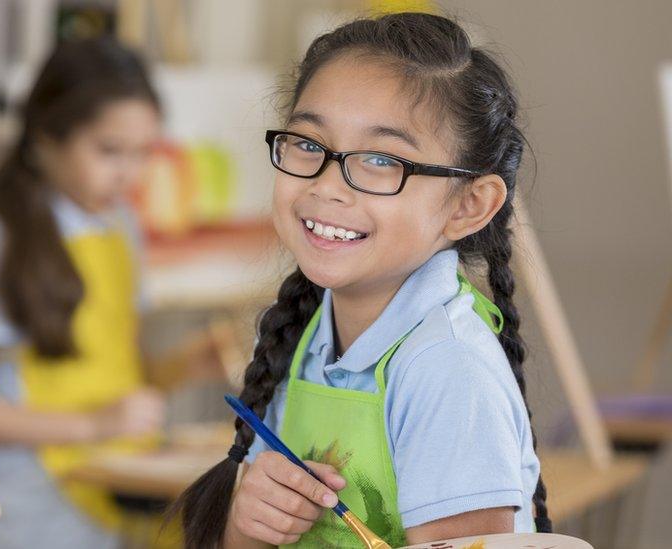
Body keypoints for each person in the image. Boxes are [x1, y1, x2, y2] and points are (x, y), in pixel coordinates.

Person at [175, 12, 549, 548]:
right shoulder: (297, 335)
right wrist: (246, 525)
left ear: (469, 205)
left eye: (380, 159)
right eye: (307, 144)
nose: (328, 186)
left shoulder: (447, 369)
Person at [0, 37, 165, 548]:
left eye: (142, 153)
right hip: (25, 511)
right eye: (108, 151)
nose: (128, 173)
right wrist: (93, 425)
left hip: (107, 488)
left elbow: (115, 368)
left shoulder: (121, 225)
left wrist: (185, 368)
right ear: (45, 138)